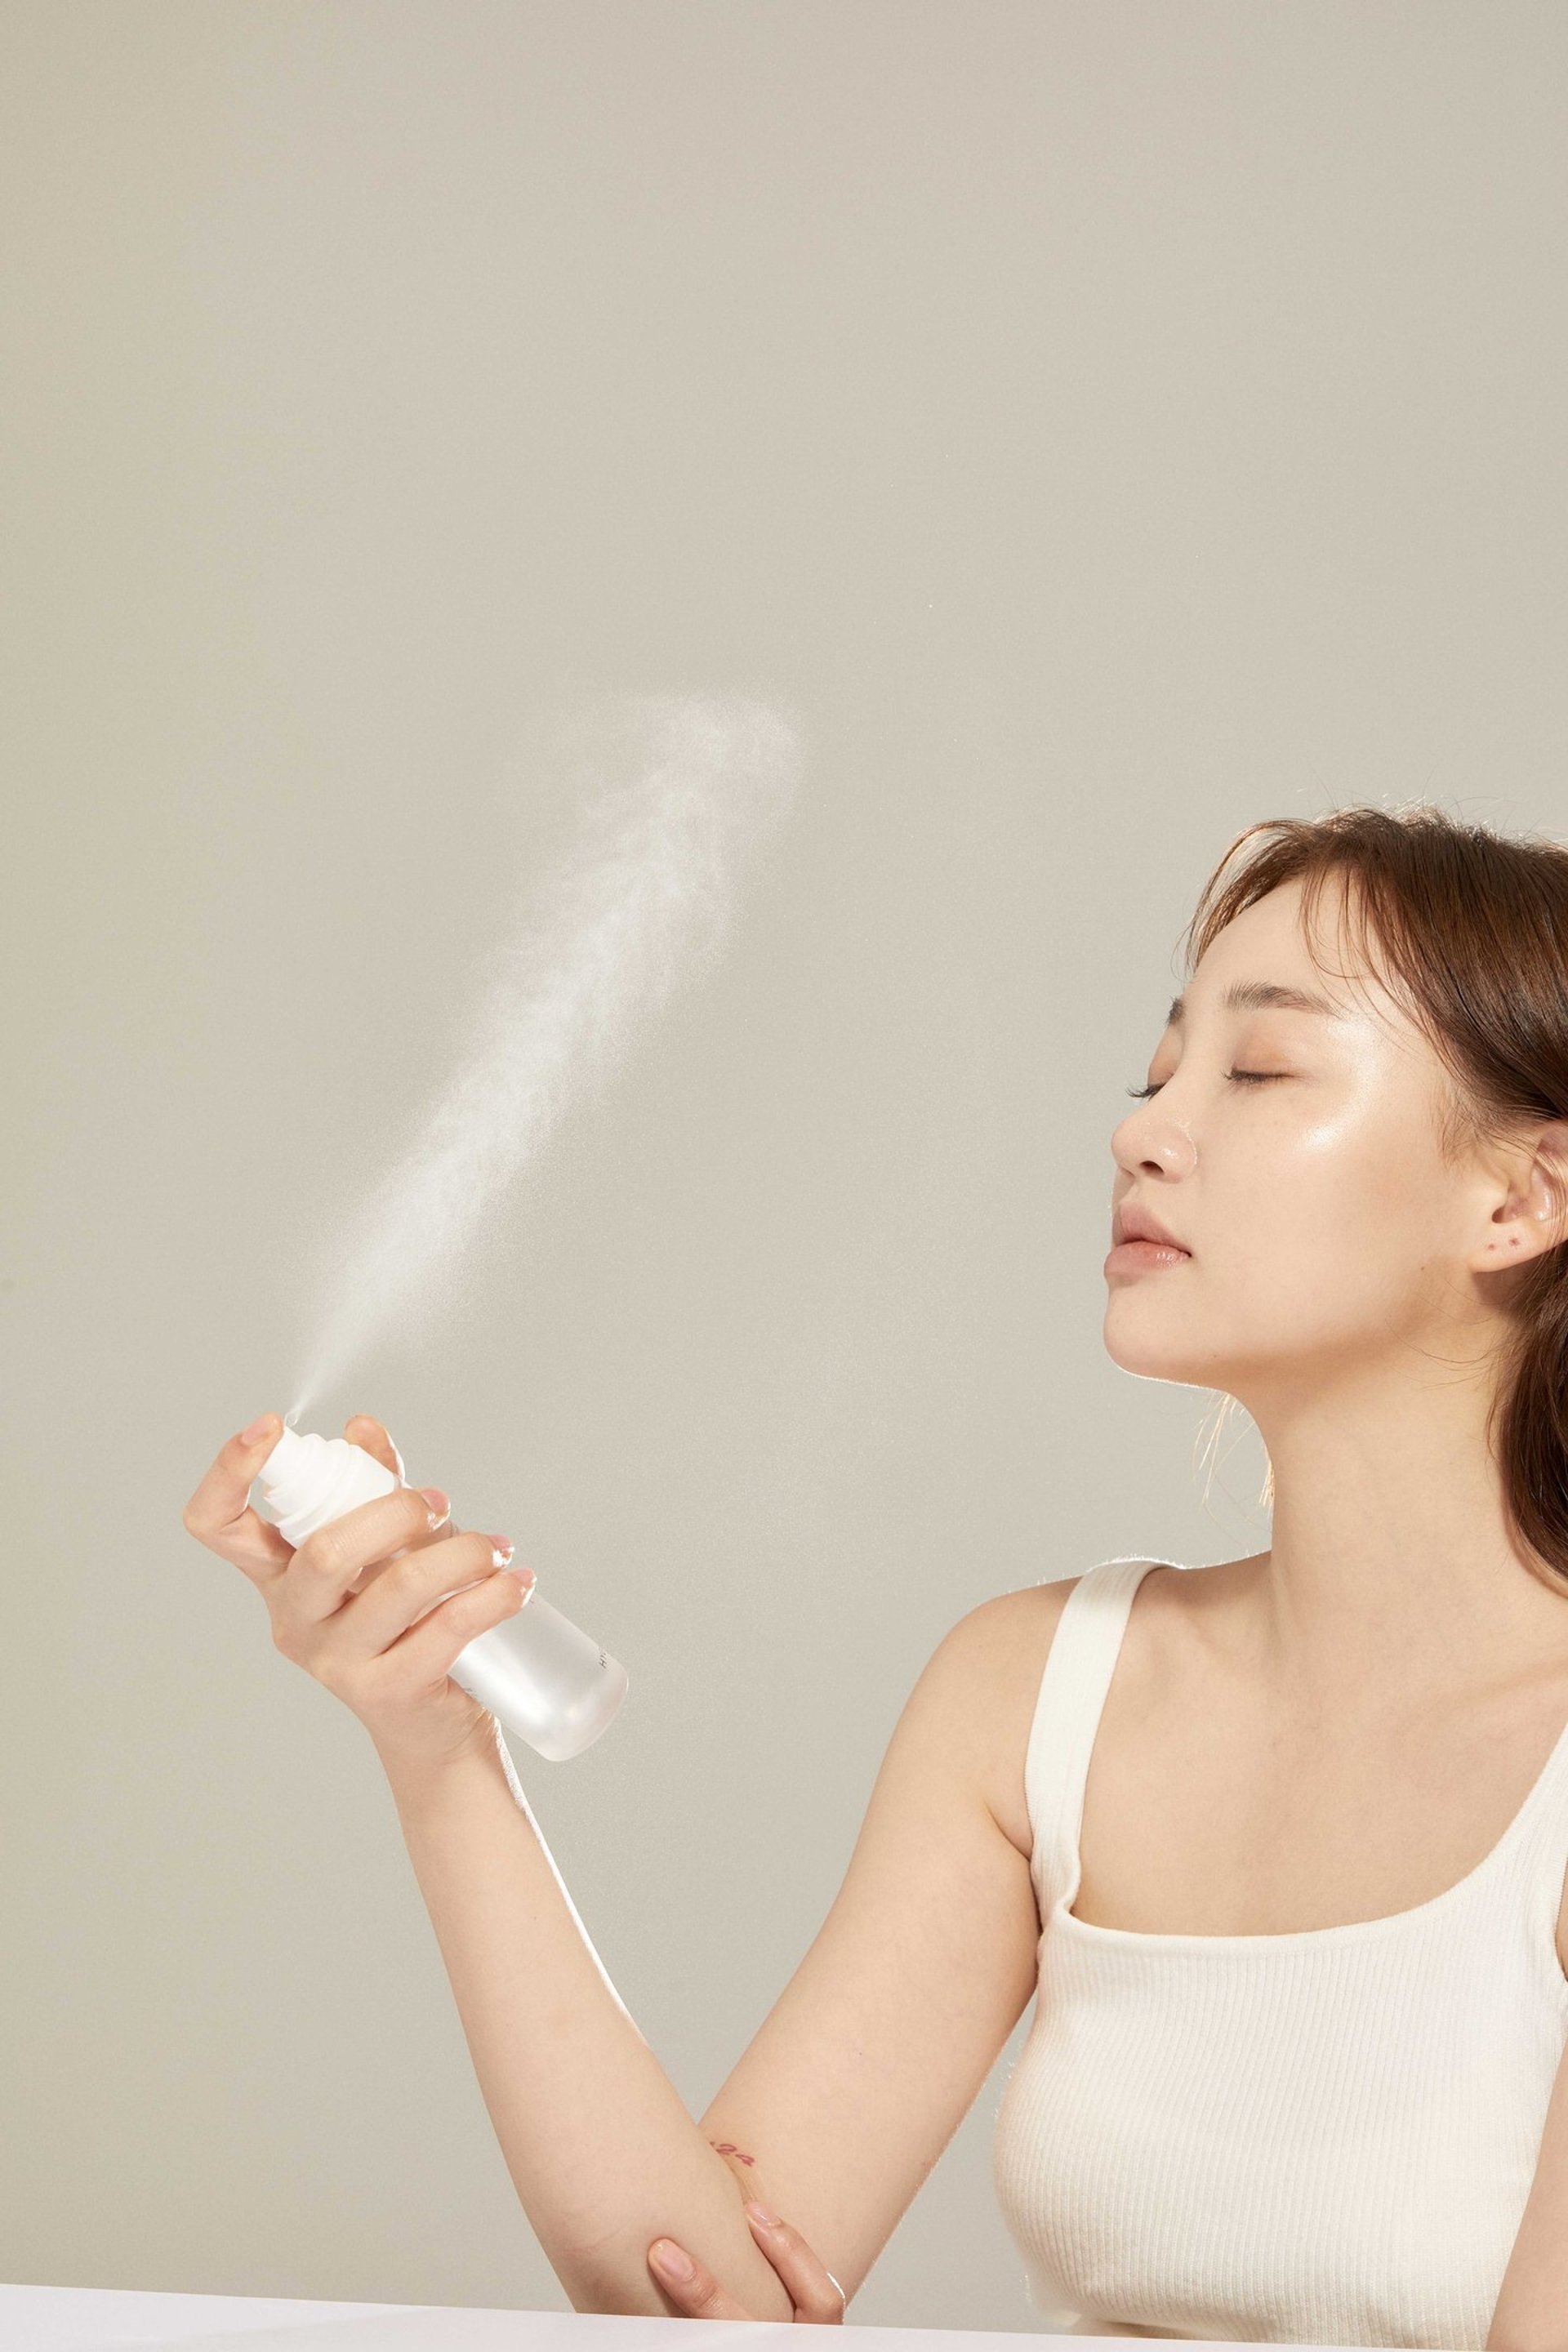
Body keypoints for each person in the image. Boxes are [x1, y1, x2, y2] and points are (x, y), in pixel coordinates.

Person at [183, 803, 1568, 2346]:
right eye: (1159, 1070)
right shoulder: (1035, 1692)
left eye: (1257, 1071)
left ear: (1520, 1200)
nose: (1144, 1129)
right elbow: (697, 2294)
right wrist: (441, 1748)